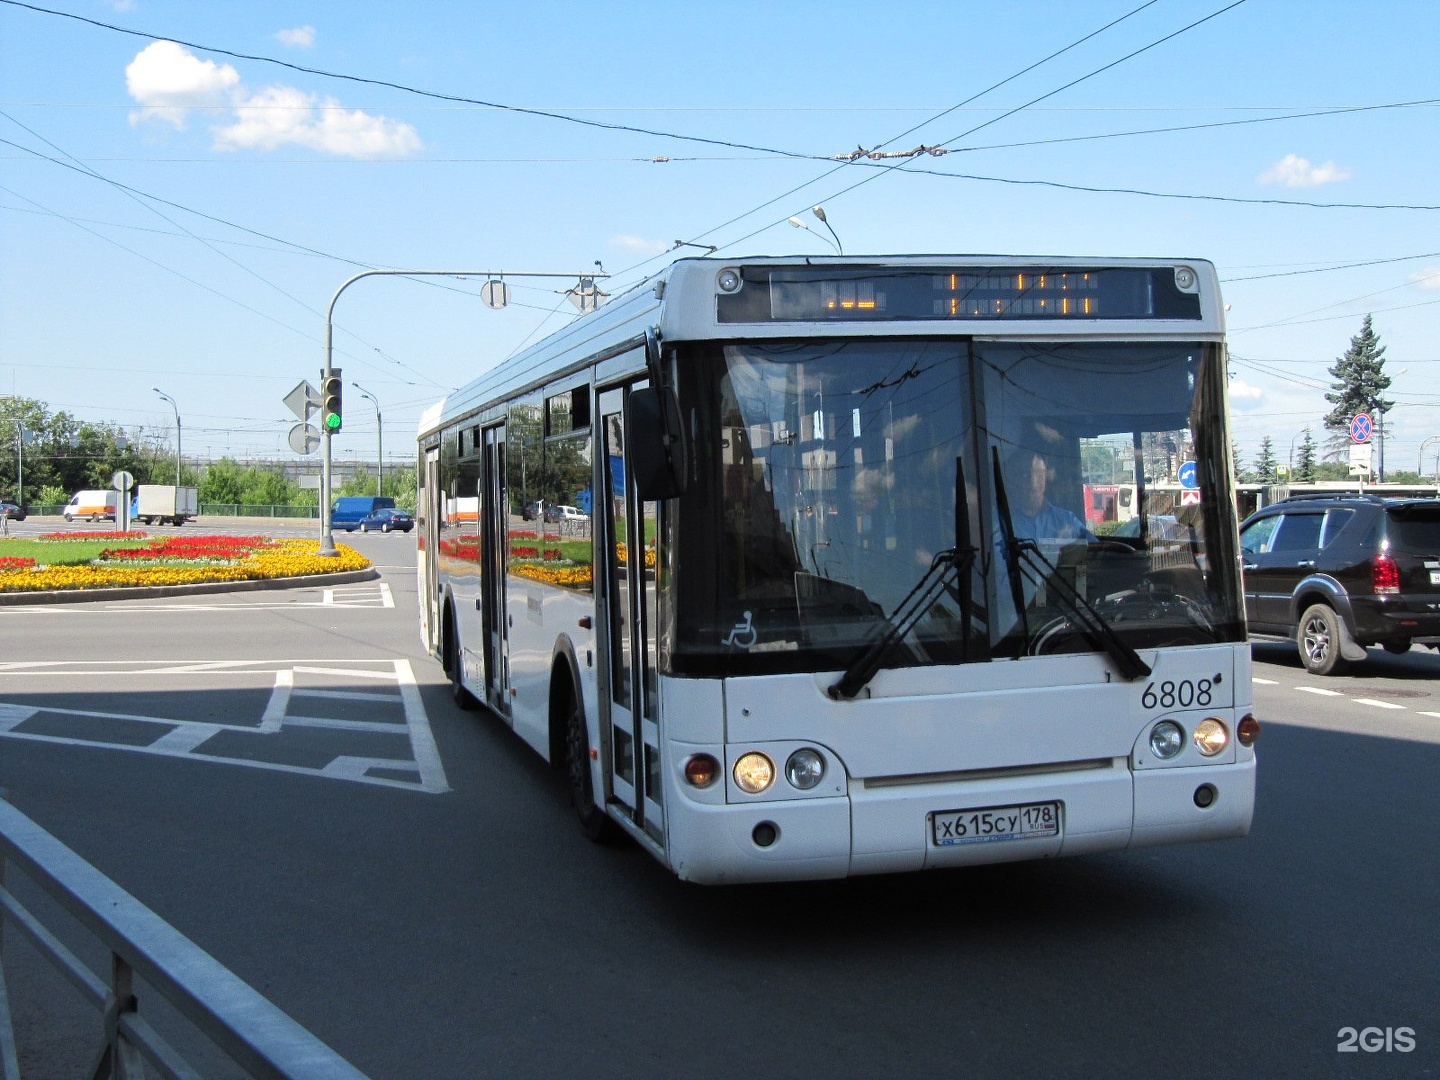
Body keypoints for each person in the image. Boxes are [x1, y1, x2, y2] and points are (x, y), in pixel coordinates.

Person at [1002, 448, 1090, 544]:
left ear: (1047, 478)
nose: (1033, 482)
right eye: (1024, 475)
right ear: (1010, 480)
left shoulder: (1067, 520)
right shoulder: (1000, 522)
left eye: (1039, 474)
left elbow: (1095, 551)